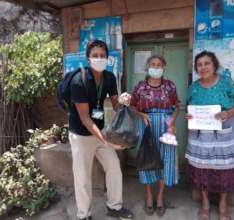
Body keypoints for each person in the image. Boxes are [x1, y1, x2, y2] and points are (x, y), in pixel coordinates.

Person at [68, 40, 133, 220]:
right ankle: (84, 215)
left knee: (114, 168)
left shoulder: (109, 77)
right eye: (95, 56)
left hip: (100, 130)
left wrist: (123, 101)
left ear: (107, 58)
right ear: (88, 59)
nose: (99, 59)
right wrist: (105, 140)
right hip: (81, 134)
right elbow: (85, 119)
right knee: (82, 177)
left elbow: (115, 106)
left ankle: (114, 207)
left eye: (102, 56)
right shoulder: (78, 81)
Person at [185, 51, 234, 220]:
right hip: (200, 135)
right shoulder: (194, 87)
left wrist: (230, 112)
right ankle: (205, 202)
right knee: (201, 168)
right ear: (196, 68)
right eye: (199, 64)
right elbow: (188, 107)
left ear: (214, 65)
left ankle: (223, 204)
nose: (203, 67)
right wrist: (188, 115)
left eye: (207, 63)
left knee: (225, 169)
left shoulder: (226, 83)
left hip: (223, 131)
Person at [130, 55, 180, 217]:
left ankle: (160, 196)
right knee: (147, 158)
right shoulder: (140, 87)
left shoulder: (170, 86)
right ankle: (149, 196)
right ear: (147, 67)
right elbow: (132, 106)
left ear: (163, 68)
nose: (156, 67)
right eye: (153, 64)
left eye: (159, 65)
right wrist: (141, 115)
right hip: (147, 125)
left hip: (166, 126)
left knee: (166, 159)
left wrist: (172, 120)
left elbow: (177, 106)